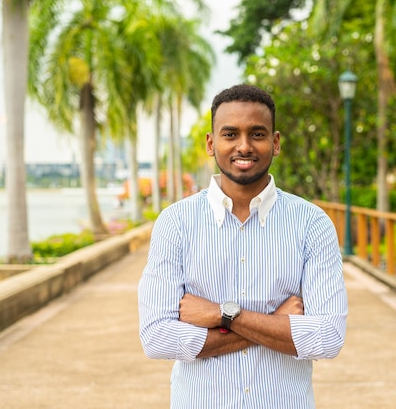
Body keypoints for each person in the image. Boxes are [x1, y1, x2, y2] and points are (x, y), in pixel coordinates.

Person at [138, 84, 348, 408]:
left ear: (275, 143)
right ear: (211, 143)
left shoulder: (312, 224)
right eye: (230, 134)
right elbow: (156, 338)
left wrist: (219, 314)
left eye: (258, 134)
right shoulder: (175, 224)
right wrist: (275, 324)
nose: (244, 146)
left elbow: (328, 338)